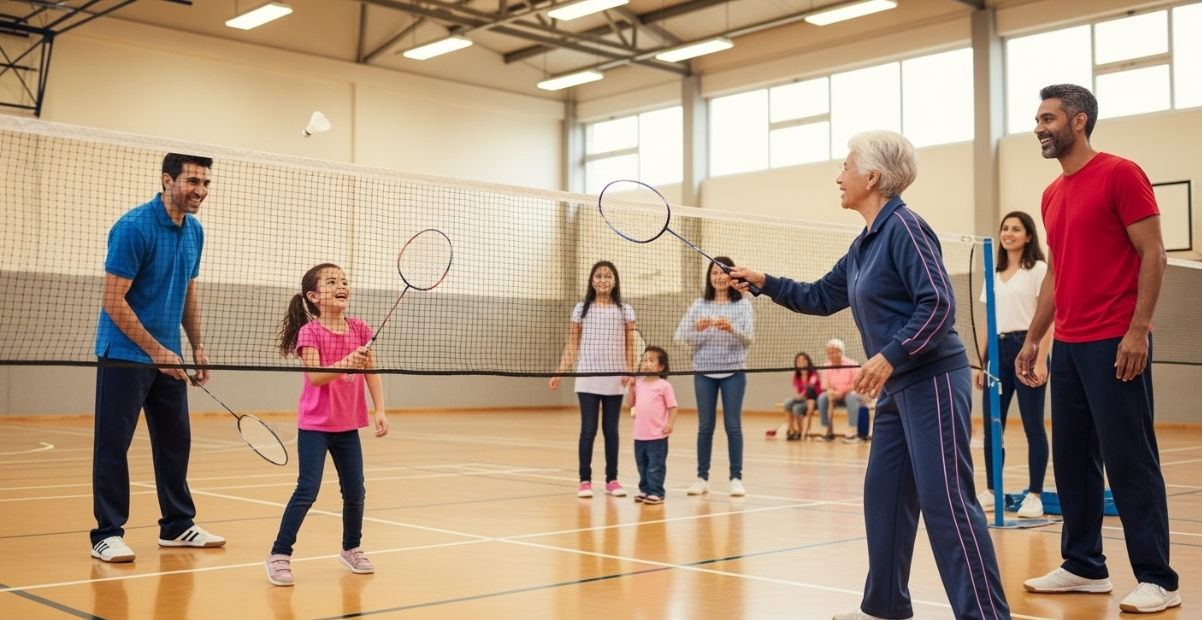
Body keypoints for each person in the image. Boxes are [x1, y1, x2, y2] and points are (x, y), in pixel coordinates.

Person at [730, 130, 1010, 620]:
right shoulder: (864, 245)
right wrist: (765, 282)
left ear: (872, 176)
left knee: (947, 504)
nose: (839, 176)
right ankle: (884, 606)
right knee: (883, 496)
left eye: (845, 166)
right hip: (899, 389)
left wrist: (889, 356)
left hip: (933, 381)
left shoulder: (905, 228)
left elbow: (939, 303)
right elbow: (818, 296)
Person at [1018, 84, 1180, 614]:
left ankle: (1158, 577)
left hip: (1116, 340)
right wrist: (1034, 337)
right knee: (1071, 460)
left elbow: (1153, 252)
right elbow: (1058, 274)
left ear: (1079, 121)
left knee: (1130, 459)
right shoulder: (1051, 194)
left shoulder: (1120, 173)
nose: (1039, 128)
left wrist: (1139, 330)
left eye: (1048, 118)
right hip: (1068, 344)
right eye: (1038, 119)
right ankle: (1084, 565)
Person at [91, 153, 225, 563]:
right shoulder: (133, 228)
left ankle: (178, 525)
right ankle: (107, 533)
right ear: (167, 179)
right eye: (192, 182)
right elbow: (113, 301)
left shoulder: (195, 231)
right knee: (114, 444)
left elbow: (188, 292)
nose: (200, 191)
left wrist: (196, 346)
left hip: (170, 355)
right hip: (125, 356)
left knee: (175, 442)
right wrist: (157, 351)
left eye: (205, 183)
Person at [265, 263, 389, 587]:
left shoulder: (361, 329)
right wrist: (347, 362)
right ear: (314, 296)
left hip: (348, 425)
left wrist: (380, 410)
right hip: (316, 426)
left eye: (344, 281)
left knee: (355, 491)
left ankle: (352, 548)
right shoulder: (310, 333)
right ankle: (279, 555)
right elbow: (317, 376)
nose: (341, 285)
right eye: (331, 281)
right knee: (307, 489)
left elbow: (371, 372)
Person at [973, 211, 1051, 519]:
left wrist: (1041, 358)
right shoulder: (994, 272)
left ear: (1028, 236)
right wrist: (982, 364)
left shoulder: (1039, 270)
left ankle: (1035, 495)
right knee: (994, 427)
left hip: (1027, 348)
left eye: (1016, 229)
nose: (1008, 233)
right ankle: (993, 490)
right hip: (996, 351)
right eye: (1005, 228)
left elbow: (1049, 317)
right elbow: (986, 318)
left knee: (1033, 426)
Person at [551, 260, 635, 498]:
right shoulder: (581, 309)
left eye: (608, 276)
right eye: (598, 276)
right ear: (591, 281)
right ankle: (584, 481)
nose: (603, 280)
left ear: (615, 281)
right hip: (587, 377)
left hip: (614, 377)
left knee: (612, 430)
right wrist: (560, 370)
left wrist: (629, 369)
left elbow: (631, 343)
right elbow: (573, 343)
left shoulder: (625, 310)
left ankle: (612, 480)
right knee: (588, 429)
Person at [674, 256, 754, 497]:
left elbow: (748, 338)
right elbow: (680, 337)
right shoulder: (699, 305)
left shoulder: (743, 305)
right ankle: (701, 478)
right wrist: (696, 330)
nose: (719, 277)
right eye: (714, 273)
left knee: (733, 426)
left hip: (734, 372)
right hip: (704, 372)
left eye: (723, 272)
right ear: (709, 278)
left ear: (732, 277)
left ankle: (736, 478)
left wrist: (732, 328)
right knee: (705, 427)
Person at [630, 346, 678, 505]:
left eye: (651, 360)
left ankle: (656, 491)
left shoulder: (664, 386)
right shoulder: (638, 383)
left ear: (661, 366)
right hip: (639, 435)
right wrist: (631, 388)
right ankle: (645, 490)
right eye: (644, 360)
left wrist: (670, 424)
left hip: (657, 436)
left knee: (655, 466)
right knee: (641, 465)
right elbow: (631, 404)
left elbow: (673, 407)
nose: (646, 363)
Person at [816, 338, 861, 442]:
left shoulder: (852, 364)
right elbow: (825, 385)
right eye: (828, 352)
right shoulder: (826, 365)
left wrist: (842, 392)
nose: (830, 355)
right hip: (835, 396)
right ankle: (828, 430)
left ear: (840, 352)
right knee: (822, 398)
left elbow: (857, 384)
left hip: (850, 395)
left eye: (832, 352)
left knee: (852, 397)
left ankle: (854, 431)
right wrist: (831, 391)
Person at [782, 352, 822, 440]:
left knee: (796, 408)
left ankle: (800, 432)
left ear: (808, 361)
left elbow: (811, 385)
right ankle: (792, 429)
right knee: (788, 403)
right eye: (799, 361)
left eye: (804, 360)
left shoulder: (814, 373)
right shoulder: (796, 376)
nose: (801, 362)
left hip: (814, 399)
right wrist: (800, 395)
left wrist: (804, 391)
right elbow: (799, 392)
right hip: (803, 399)